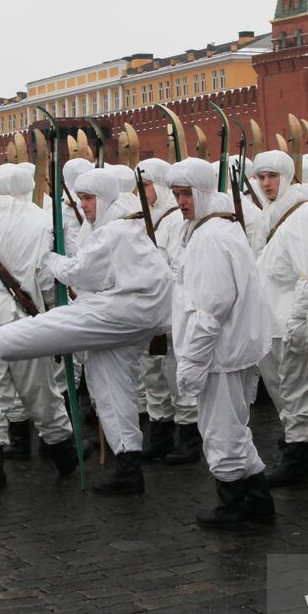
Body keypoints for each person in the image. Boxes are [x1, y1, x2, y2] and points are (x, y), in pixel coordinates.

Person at [0, 167, 173, 496]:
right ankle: (129, 467)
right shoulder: (112, 224)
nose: (83, 205)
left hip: (123, 313)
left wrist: (51, 260)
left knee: (53, 326)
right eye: (80, 198)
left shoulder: (116, 231)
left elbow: (80, 271)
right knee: (110, 389)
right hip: (129, 312)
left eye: (88, 198)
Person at [0, 165, 82, 489]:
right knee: (41, 392)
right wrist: (52, 313)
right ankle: (64, 452)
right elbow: (48, 275)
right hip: (25, 323)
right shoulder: (39, 221)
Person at [162, 158, 273, 526]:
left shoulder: (211, 238)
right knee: (234, 427)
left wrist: (193, 361)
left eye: (185, 194)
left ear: (203, 192)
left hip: (218, 354)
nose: (180, 202)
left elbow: (211, 310)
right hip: (226, 352)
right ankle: (257, 500)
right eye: (176, 194)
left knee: (220, 431)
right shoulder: (214, 230)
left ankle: (233, 504)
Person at [248, 149, 308, 487]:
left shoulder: (305, 215)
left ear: (287, 176)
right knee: (285, 393)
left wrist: (300, 323)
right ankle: (299, 443)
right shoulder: (272, 214)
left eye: (272, 176)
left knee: (300, 392)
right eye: (261, 177)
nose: (266, 184)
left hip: (290, 326)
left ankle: (302, 456)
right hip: (271, 326)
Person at [133, 157, 187, 462]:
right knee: (152, 373)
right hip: (147, 311)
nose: (142, 191)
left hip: (170, 310)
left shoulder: (174, 220)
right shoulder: (146, 218)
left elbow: (178, 268)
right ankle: (160, 429)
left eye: (147, 184)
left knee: (175, 372)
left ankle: (188, 431)